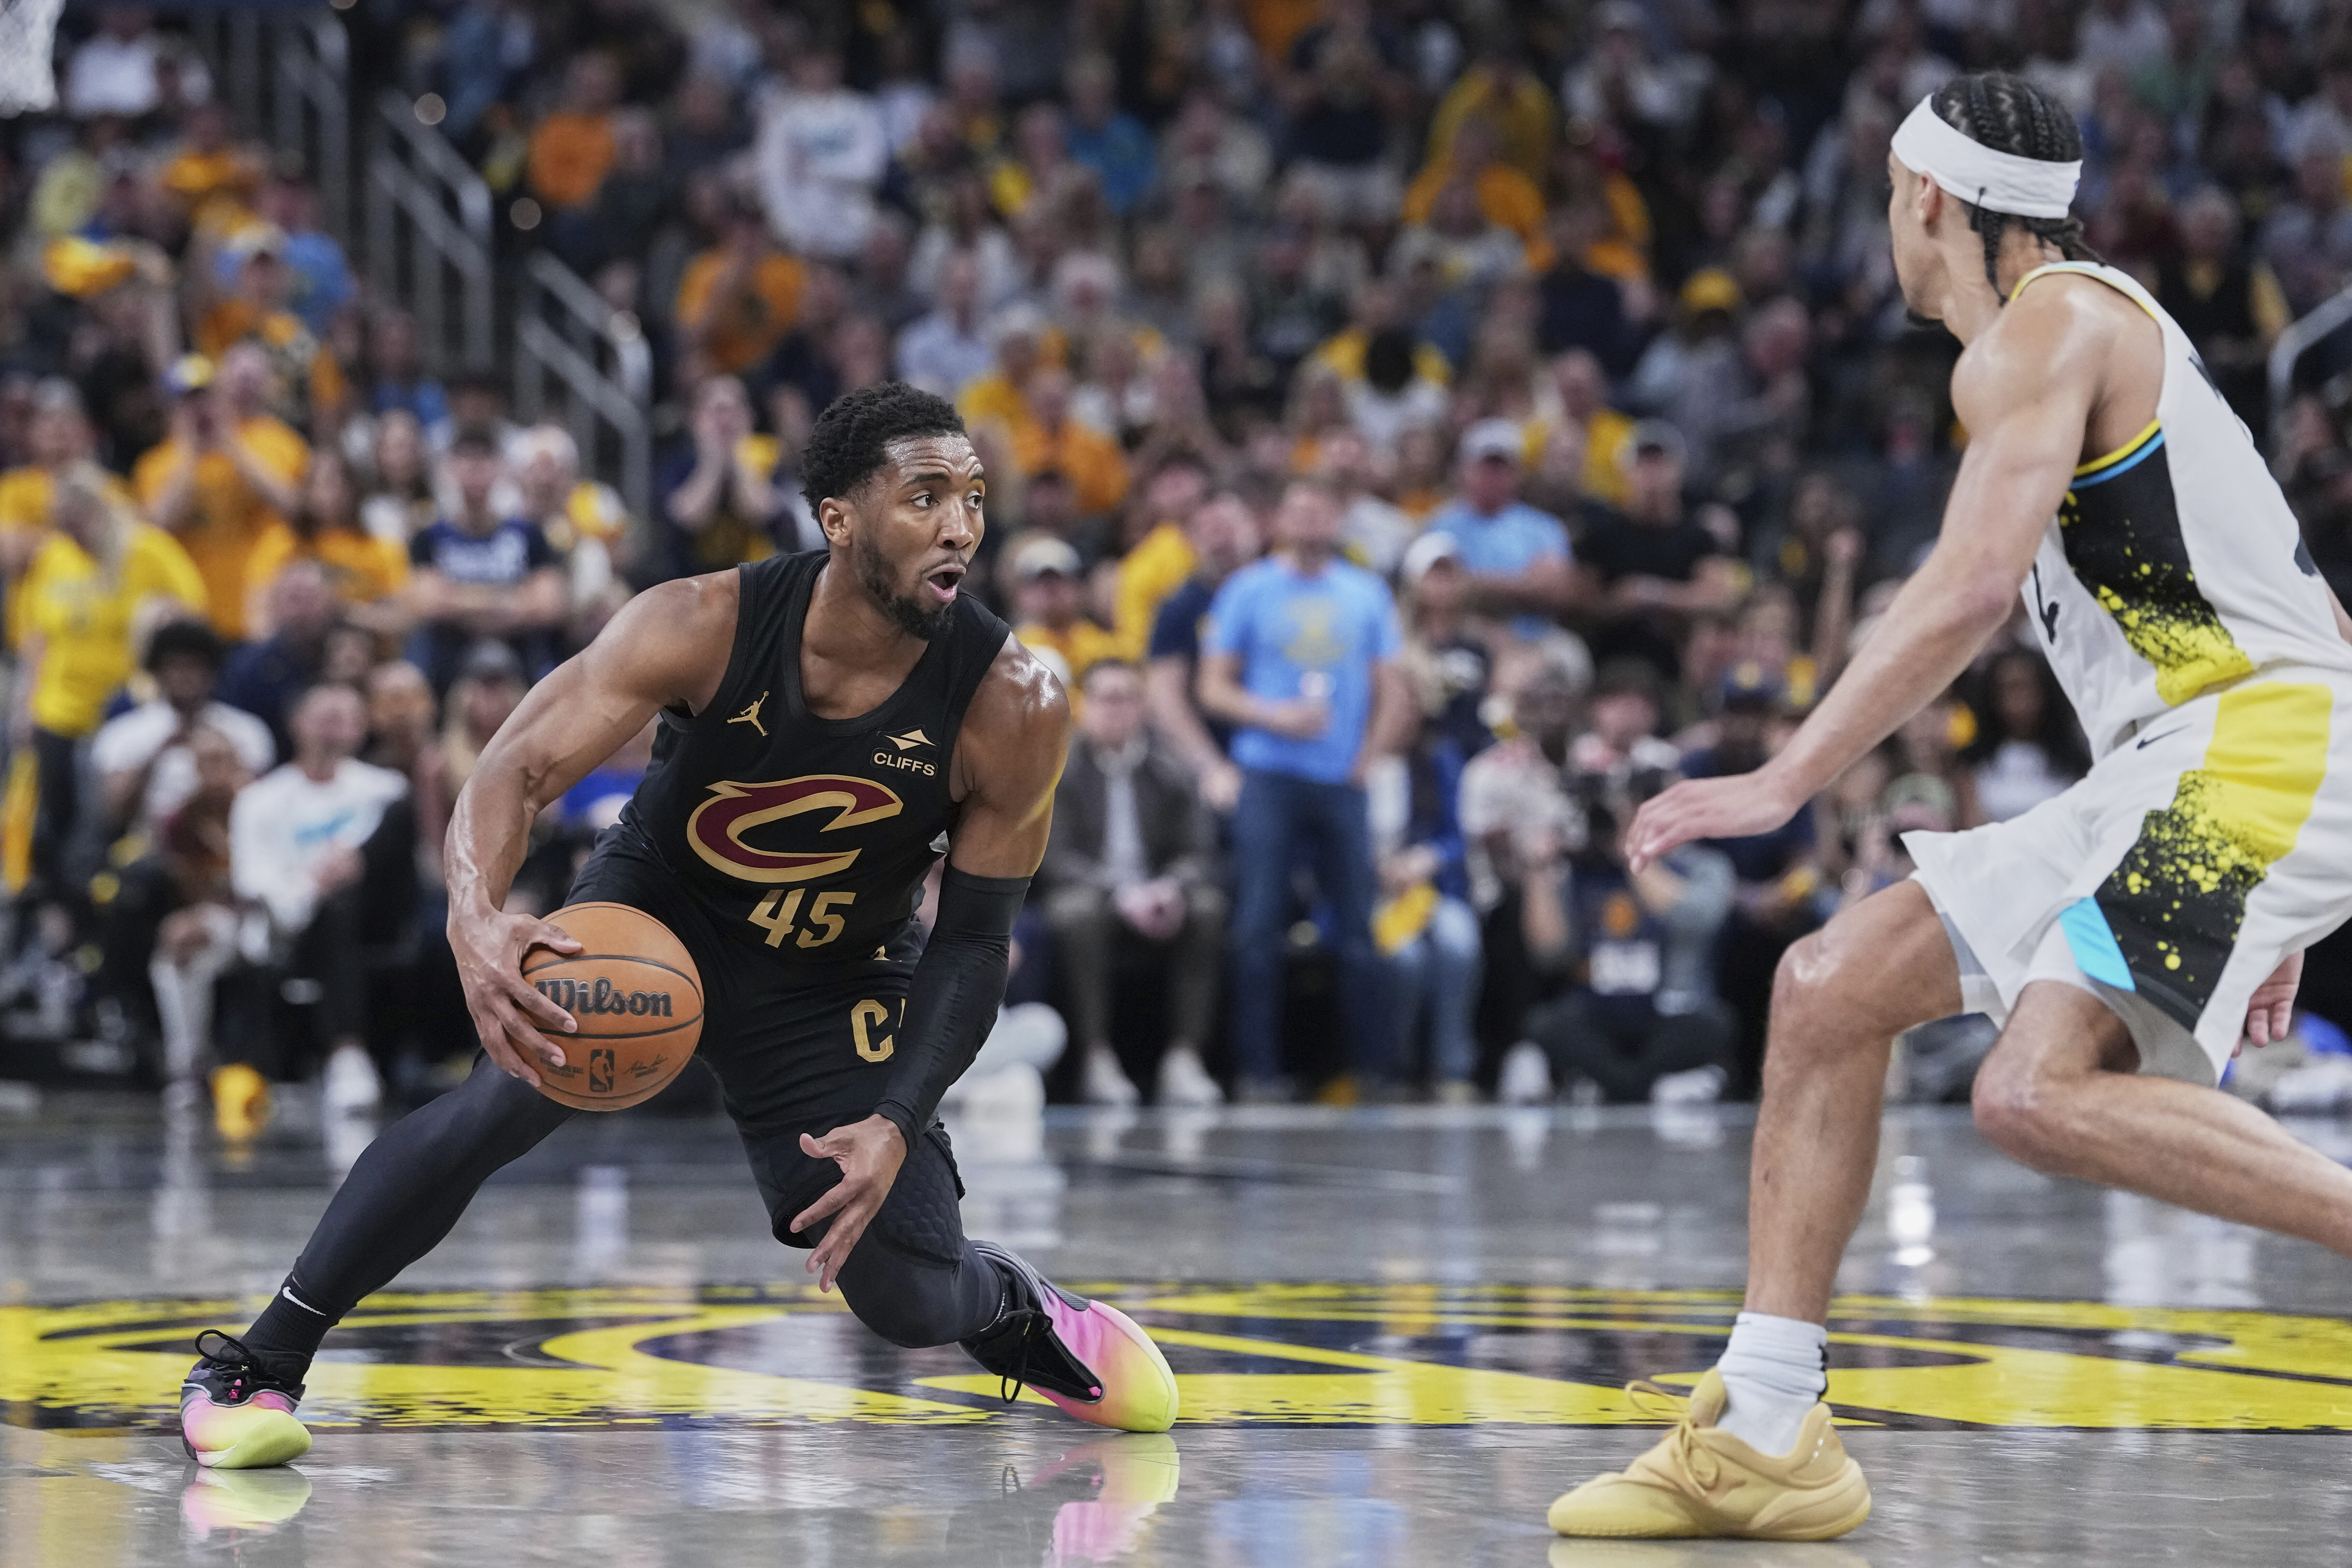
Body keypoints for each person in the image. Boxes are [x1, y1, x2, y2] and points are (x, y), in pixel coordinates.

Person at [1551, 74, 2352, 1542]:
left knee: (2028, 1093)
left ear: (1922, 194)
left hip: (2243, 746)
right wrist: (2288, 888)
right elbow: (2315, 623)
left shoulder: (2044, 328)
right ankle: (1767, 1432)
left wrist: (1784, 776)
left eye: (1885, 191)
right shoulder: (2091, 336)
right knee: (1826, 987)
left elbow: (1971, 589)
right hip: (2199, 759)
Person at [179, 383, 1177, 1471]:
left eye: (973, 497)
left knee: (902, 1294)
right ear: (839, 518)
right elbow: (516, 767)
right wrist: (476, 915)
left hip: (834, 973)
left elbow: (975, 942)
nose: (960, 526)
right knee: (503, 1100)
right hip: (659, 912)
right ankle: (257, 1360)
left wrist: (896, 1120)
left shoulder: (1014, 699)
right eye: (925, 495)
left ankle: (1009, 1304)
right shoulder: (700, 621)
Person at [1197, 477, 1411, 1101]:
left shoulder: (1365, 592)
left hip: (1341, 778)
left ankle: (1373, 1071)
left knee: (1358, 929)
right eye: (1299, 509)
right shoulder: (1248, 589)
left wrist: (1368, 756)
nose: (1310, 519)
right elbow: (1213, 687)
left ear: (1337, 519)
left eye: (1321, 509)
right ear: (1280, 520)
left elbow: (1393, 687)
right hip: (1268, 772)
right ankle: (1258, 1071)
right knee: (1257, 924)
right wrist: (1274, 716)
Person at [224, 683, 417, 1123]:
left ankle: (357, 1056)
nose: (334, 728)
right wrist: (313, 884)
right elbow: (251, 880)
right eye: (324, 717)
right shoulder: (260, 799)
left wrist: (351, 863)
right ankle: (347, 1054)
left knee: (387, 835)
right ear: (297, 724)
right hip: (293, 923)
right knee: (331, 911)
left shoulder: (385, 789)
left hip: (373, 914)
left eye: (345, 717)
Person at [1043, 660, 1225, 1107]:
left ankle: (1185, 1059)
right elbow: (1054, 856)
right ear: (1085, 706)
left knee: (1207, 908)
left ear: (1142, 706)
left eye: (1126, 698)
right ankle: (1096, 1058)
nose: (1116, 710)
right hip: (1096, 894)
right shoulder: (1060, 767)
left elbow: (1198, 851)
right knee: (1074, 914)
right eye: (1106, 699)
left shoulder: (1171, 767)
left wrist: (1170, 887)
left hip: (1157, 893)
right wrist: (1119, 894)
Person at [133, 348, 307, 644]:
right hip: (198, 612)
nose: (199, 409)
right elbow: (159, 527)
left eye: (206, 397)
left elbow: (294, 509)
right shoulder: (157, 464)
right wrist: (190, 455)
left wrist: (232, 446)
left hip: (262, 608)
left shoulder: (271, 440)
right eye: (187, 401)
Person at [405, 426, 566, 694]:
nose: (475, 473)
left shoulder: (529, 534)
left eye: (483, 462)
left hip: (520, 648)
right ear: (450, 470)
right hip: (450, 651)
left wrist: (458, 601)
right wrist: (510, 602)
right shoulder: (429, 536)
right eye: (467, 462)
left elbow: (548, 606)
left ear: (501, 470)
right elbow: (429, 604)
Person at [1144, 490, 1262, 814]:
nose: (1221, 540)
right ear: (1193, 541)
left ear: (1253, 529)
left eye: (1228, 527)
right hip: (1213, 753)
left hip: (1284, 751)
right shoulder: (1180, 606)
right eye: (1210, 530)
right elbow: (1165, 696)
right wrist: (1210, 765)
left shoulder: (1283, 593)